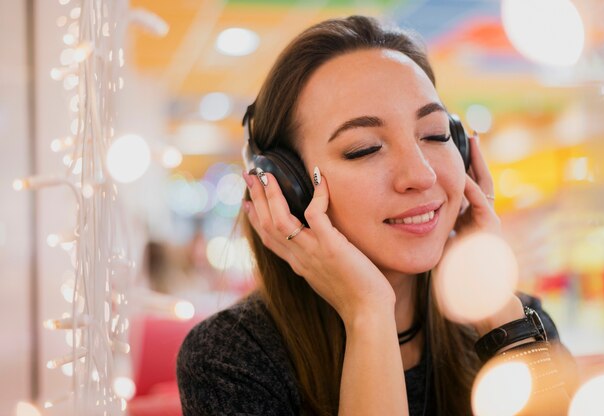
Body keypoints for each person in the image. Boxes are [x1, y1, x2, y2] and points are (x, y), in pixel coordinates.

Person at [177, 15, 575, 415]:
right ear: (286, 186)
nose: (422, 174)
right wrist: (368, 312)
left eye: (435, 134)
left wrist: (496, 307)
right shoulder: (231, 357)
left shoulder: (516, 317)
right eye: (364, 148)